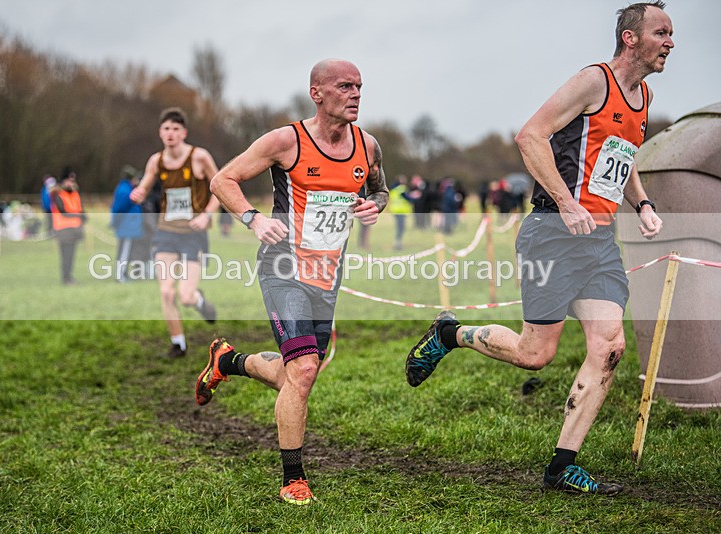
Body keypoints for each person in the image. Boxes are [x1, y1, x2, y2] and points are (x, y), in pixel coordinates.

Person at [404, 1, 670, 495]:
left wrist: (643, 203)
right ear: (631, 38)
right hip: (553, 232)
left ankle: (561, 465)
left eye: (672, 33)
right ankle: (450, 333)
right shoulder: (594, 81)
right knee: (535, 354)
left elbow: (623, 158)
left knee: (608, 347)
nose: (671, 42)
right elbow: (530, 136)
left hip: (599, 242)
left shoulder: (644, 96)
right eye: (661, 32)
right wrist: (568, 205)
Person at [194, 59, 388, 505]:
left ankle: (228, 362)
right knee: (302, 370)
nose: (356, 93)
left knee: (297, 372)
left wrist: (374, 205)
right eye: (345, 86)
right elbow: (223, 179)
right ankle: (292, 477)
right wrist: (253, 218)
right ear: (317, 93)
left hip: (327, 273)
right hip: (284, 268)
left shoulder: (368, 145)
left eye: (359, 86)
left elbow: (380, 189)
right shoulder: (287, 141)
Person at [129, 107, 220, 358]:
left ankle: (200, 303)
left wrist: (207, 215)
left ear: (184, 133)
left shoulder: (199, 157)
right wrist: (138, 194)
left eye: (175, 129)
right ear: (160, 132)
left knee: (186, 295)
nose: (171, 133)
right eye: (166, 129)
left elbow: (220, 188)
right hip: (165, 232)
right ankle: (178, 343)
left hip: (193, 233)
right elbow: (145, 186)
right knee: (167, 291)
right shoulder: (156, 161)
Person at [51, 171, 86, 284]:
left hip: (75, 229)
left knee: (71, 255)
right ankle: (66, 277)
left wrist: (83, 216)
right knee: (65, 255)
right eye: (69, 181)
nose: (71, 183)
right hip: (64, 229)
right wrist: (78, 215)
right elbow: (63, 212)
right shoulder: (58, 195)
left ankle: (69, 276)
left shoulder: (75, 195)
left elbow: (79, 209)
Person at [111, 166, 143, 282]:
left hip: (129, 226)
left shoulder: (126, 189)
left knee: (126, 251)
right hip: (127, 226)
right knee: (124, 252)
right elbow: (119, 209)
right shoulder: (126, 191)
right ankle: (120, 275)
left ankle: (123, 273)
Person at [388, 175, 413, 249]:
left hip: (395, 211)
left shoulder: (393, 189)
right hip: (400, 211)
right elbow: (408, 198)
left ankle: (398, 243)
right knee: (401, 229)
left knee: (399, 228)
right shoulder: (401, 189)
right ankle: (397, 244)